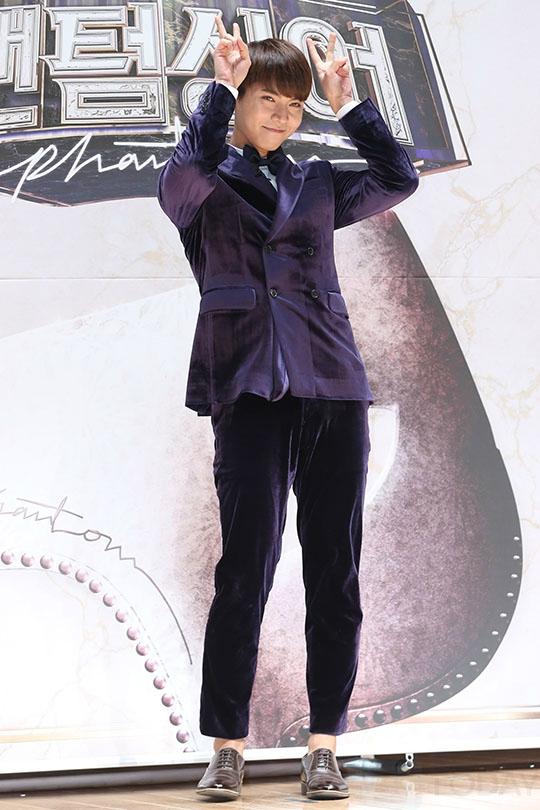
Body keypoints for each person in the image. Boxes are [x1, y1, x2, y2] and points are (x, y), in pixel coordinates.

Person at [157, 14, 419, 802]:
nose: (282, 113)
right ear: (241, 101)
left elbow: (398, 178)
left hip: (332, 386)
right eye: (267, 98)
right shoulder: (201, 184)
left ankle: (324, 746)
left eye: (293, 104)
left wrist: (350, 106)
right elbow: (182, 173)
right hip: (247, 390)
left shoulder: (318, 183)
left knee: (335, 572)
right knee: (244, 571)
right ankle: (227, 748)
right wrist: (220, 87)